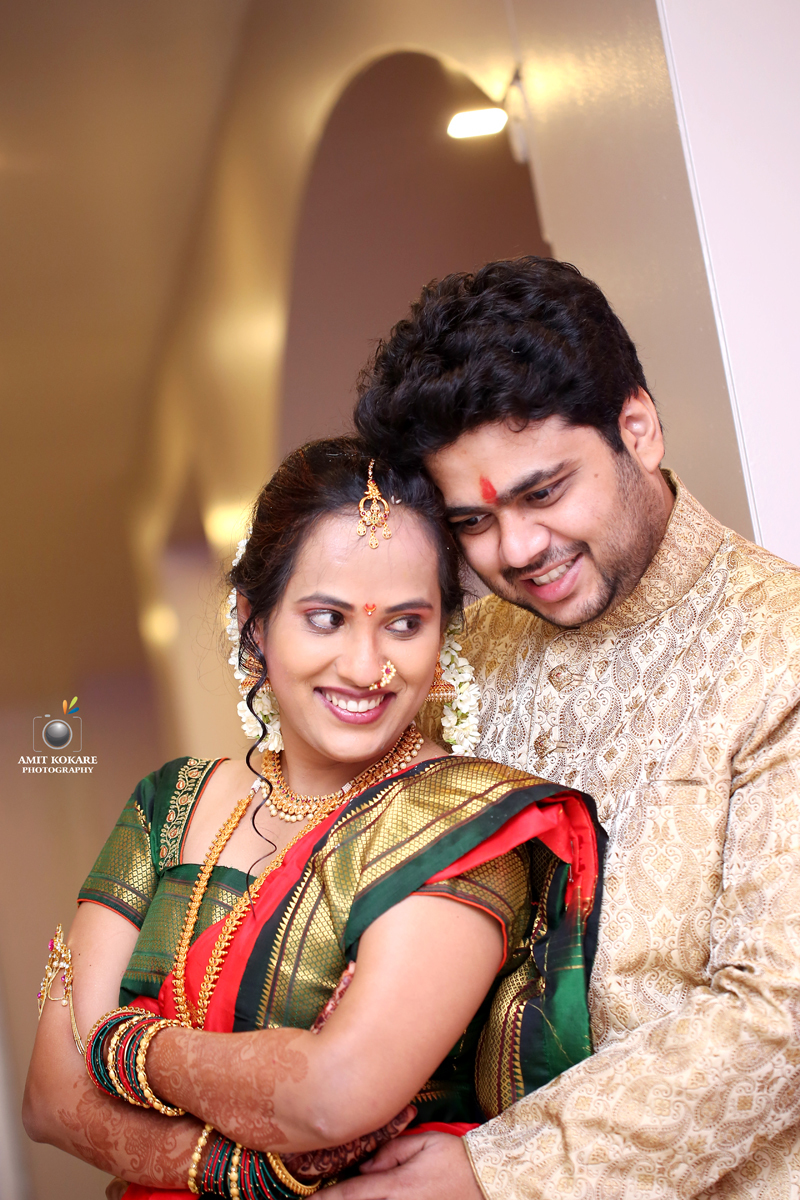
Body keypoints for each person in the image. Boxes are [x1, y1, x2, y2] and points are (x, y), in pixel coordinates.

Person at [24, 436, 604, 1198]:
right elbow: (50, 1098)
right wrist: (251, 1167)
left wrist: (127, 1049)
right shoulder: (170, 804)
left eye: (405, 623)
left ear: (442, 636)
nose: (366, 667)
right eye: (327, 618)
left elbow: (336, 1092)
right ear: (255, 624)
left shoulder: (459, 823)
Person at [342, 256, 800, 1199]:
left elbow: (778, 1014)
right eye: (474, 521)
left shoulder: (778, 647)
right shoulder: (465, 660)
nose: (516, 550)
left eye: (544, 492)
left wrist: (496, 1173)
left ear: (638, 429)